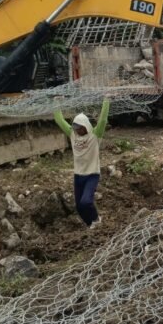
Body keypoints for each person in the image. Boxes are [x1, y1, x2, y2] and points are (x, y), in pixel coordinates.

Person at [53, 97, 111, 228]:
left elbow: (102, 120)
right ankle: (91, 225)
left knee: (86, 202)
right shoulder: (72, 135)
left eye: (80, 128)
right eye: (76, 128)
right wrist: (56, 102)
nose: (78, 131)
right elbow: (59, 120)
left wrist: (106, 99)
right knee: (79, 207)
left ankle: (96, 220)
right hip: (78, 175)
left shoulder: (95, 136)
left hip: (92, 174)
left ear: (86, 126)